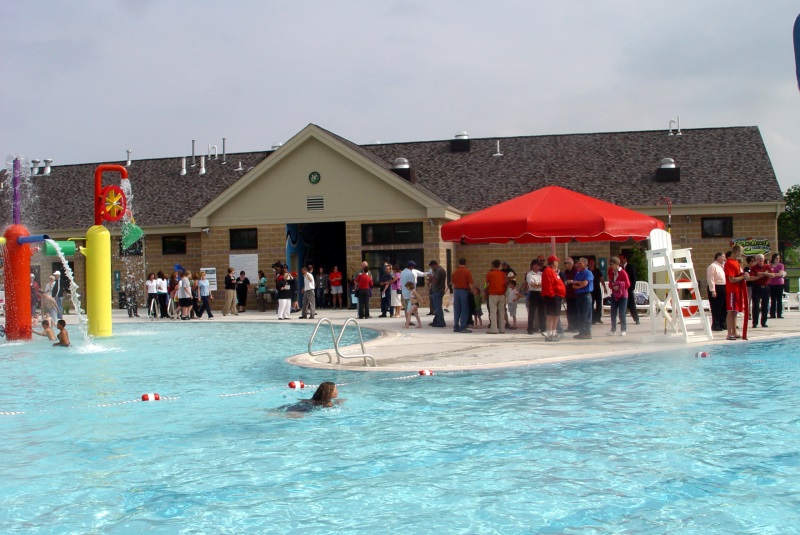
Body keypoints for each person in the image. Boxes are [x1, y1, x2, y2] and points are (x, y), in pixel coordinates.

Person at [724, 244, 749, 340]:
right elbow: (731, 279)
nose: (742, 254)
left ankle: (734, 332)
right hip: (732, 290)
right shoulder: (729, 262)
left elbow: (738, 275)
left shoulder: (736, 262)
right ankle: (729, 333)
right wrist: (742, 277)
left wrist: (744, 275)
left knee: (735, 311)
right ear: (737, 251)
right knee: (731, 311)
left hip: (737, 290)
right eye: (741, 252)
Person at [541, 255, 567, 342]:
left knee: (556, 315)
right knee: (550, 316)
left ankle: (553, 332)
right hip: (552, 297)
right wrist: (552, 296)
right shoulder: (548, 271)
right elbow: (548, 285)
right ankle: (549, 334)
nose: (558, 263)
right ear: (553, 262)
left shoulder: (553, 271)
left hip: (557, 296)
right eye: (557, 261)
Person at [749, 254, 775, 329]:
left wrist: (764, 273)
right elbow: (752, 277)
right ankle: (755, 322)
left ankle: (764, 322)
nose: (761, 261)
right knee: (756, 306)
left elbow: (772, 275)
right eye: (760, 259)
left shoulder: (767, 266)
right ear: (757, 260)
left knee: (765, 306)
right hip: (757, 287)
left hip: (765, 287)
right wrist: (760, 276)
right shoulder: (754, 267)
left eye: (762, 259)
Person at [606, 256, 630, 336]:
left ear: (617, 264)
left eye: (612, 264)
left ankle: (623, 329)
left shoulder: (622, 272)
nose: (611, 266)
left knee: (621, 313)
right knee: (613, 312)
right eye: (610, 264)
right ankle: (613, 330)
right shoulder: (611, 272)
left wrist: (619, 287)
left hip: (623, 296)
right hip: (614, 295)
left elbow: (627, 284)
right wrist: (613, 287)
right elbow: (610, 283)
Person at [571, 257, 594, 339]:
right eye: (578, 263)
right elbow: (573, 285)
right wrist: (578, 284)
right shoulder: (578, 273)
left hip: (586, 296)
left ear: (585, 264)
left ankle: (587, 332)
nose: (578, 265)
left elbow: (585, 283)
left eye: (580, 263)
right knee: (580, 315)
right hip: (579, 296)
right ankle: (581, 332)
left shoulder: (588, 273)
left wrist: (578, 284)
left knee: (586, 315)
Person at [451, 258, 474, 333]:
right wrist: (472, 291)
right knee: (464, 309)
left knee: (457, 309)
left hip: (456, 291)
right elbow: (470, 283)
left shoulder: (455, 272)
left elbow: (453, 283)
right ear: (465, 263)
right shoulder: (467, 271)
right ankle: (463, 326)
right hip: (464, 291)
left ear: (459, 263)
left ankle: (456, 326)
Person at [706, 252, 727, 331]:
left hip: (723, 286)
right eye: (723, 257)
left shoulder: (722, 267)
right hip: (716, 287)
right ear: (718, 257)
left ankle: (722, 324)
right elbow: (711, 279)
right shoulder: (712, 266)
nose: (724, 259)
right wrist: (713, 290)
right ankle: (715, 325)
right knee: (716, 308)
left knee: (723, 307)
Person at [485, 259, 507, 334]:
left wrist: (486, 291)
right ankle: (502, 329)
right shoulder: (503, 274)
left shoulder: (489, 274)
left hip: (492, 294)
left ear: (492, 265)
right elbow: (505, 283)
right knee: (501, 312)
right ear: (499, 265)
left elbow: (486, 284)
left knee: (493, 312)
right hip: (502, 294)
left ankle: (494, 329)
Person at [619, 253, 640, 325]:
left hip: (629, 288)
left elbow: (633, 278)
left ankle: (636, 319)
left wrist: (631, 288)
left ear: (625, 259)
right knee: (622, 305)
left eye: (622, 259)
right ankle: (622, 319)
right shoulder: (620, 268)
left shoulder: (630, 267)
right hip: (622, 289)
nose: (621, 260)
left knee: (631, 304)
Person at [525, 260, 545, 335]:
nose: (537, 267)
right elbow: (532, 285)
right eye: (535, 265)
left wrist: (538, 284)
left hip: (541, 293)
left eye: (538, 265)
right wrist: (539, 284)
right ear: (532, 266)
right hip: (533, 293)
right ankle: (530, 328)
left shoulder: (541, 274)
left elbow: (544, 284)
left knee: (542, 311)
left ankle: (543, 328)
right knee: (532, 312)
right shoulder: (529, 274)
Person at [427, 260, 447, 328]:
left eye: (432, 267)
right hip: (438, 290)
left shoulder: (439, 271)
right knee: (436, 307)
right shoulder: (439, 270)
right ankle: (436, 320)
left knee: (438, 307)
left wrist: (431, 278)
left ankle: (441, 322)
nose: (432, 269)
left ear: (434, 265)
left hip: (438, 291)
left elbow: (435, 281)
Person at [562, 258, 578, 332]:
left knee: (575, 311)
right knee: (569, 311)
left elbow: (579, 281)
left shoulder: (576, 271)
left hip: (575, 294)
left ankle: (576, 326)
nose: (565, 265)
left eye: (566, 263)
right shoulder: (566, 272)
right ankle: (570, 326)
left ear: (570, 263)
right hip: (568, 294)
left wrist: (571, 281)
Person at [769, 253, 786, 319]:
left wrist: (773, 274)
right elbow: (768, 273)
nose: (777, 259)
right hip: (771, 283)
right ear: (773, 258)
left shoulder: (781, 265)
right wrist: (775, 274)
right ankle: (772, 314)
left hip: (779, 283)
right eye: (776, 258)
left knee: (779, 299)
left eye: (778, 258)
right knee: (773, 299)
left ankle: (779, 314)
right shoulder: (769, 265)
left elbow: (781, 273)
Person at [588, 258, 604, 324]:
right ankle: (593, 318)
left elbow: (601, 279)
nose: (591, 264)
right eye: (590, 263)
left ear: (594, 263)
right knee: (591, 304)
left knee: (599, 303)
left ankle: (598, 318)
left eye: (592, 263)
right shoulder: (588, 271)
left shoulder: (597, 270)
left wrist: (605, 288)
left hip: (597, 288)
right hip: (590, 289)